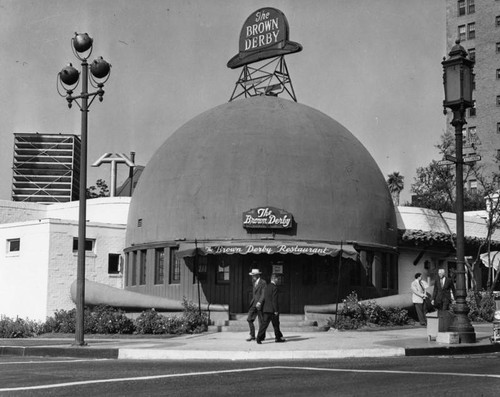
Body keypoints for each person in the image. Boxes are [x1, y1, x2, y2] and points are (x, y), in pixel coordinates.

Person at [256, 273, 286, 344]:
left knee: (264, 325)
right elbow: (274, 300)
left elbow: (265, 298)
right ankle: (277, 338)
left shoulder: (266, 287)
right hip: (272, 310)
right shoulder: (274, 288)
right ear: (274, 279)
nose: (278, 280)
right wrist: (276, 310)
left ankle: (258, 338)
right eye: (277, 279)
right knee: (276, 325)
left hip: (266, 309)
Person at [246, 268, 266, 342]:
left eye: (253, 275)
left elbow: (263, 294)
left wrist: (260, 302)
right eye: (252, 275)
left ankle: (261, 336)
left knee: (261, 321)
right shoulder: (253, 281)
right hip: (254, 304)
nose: (252, 276)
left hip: (260, 304)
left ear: (258, 275)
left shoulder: (263, 282)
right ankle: (252, 335)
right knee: (249, 319)